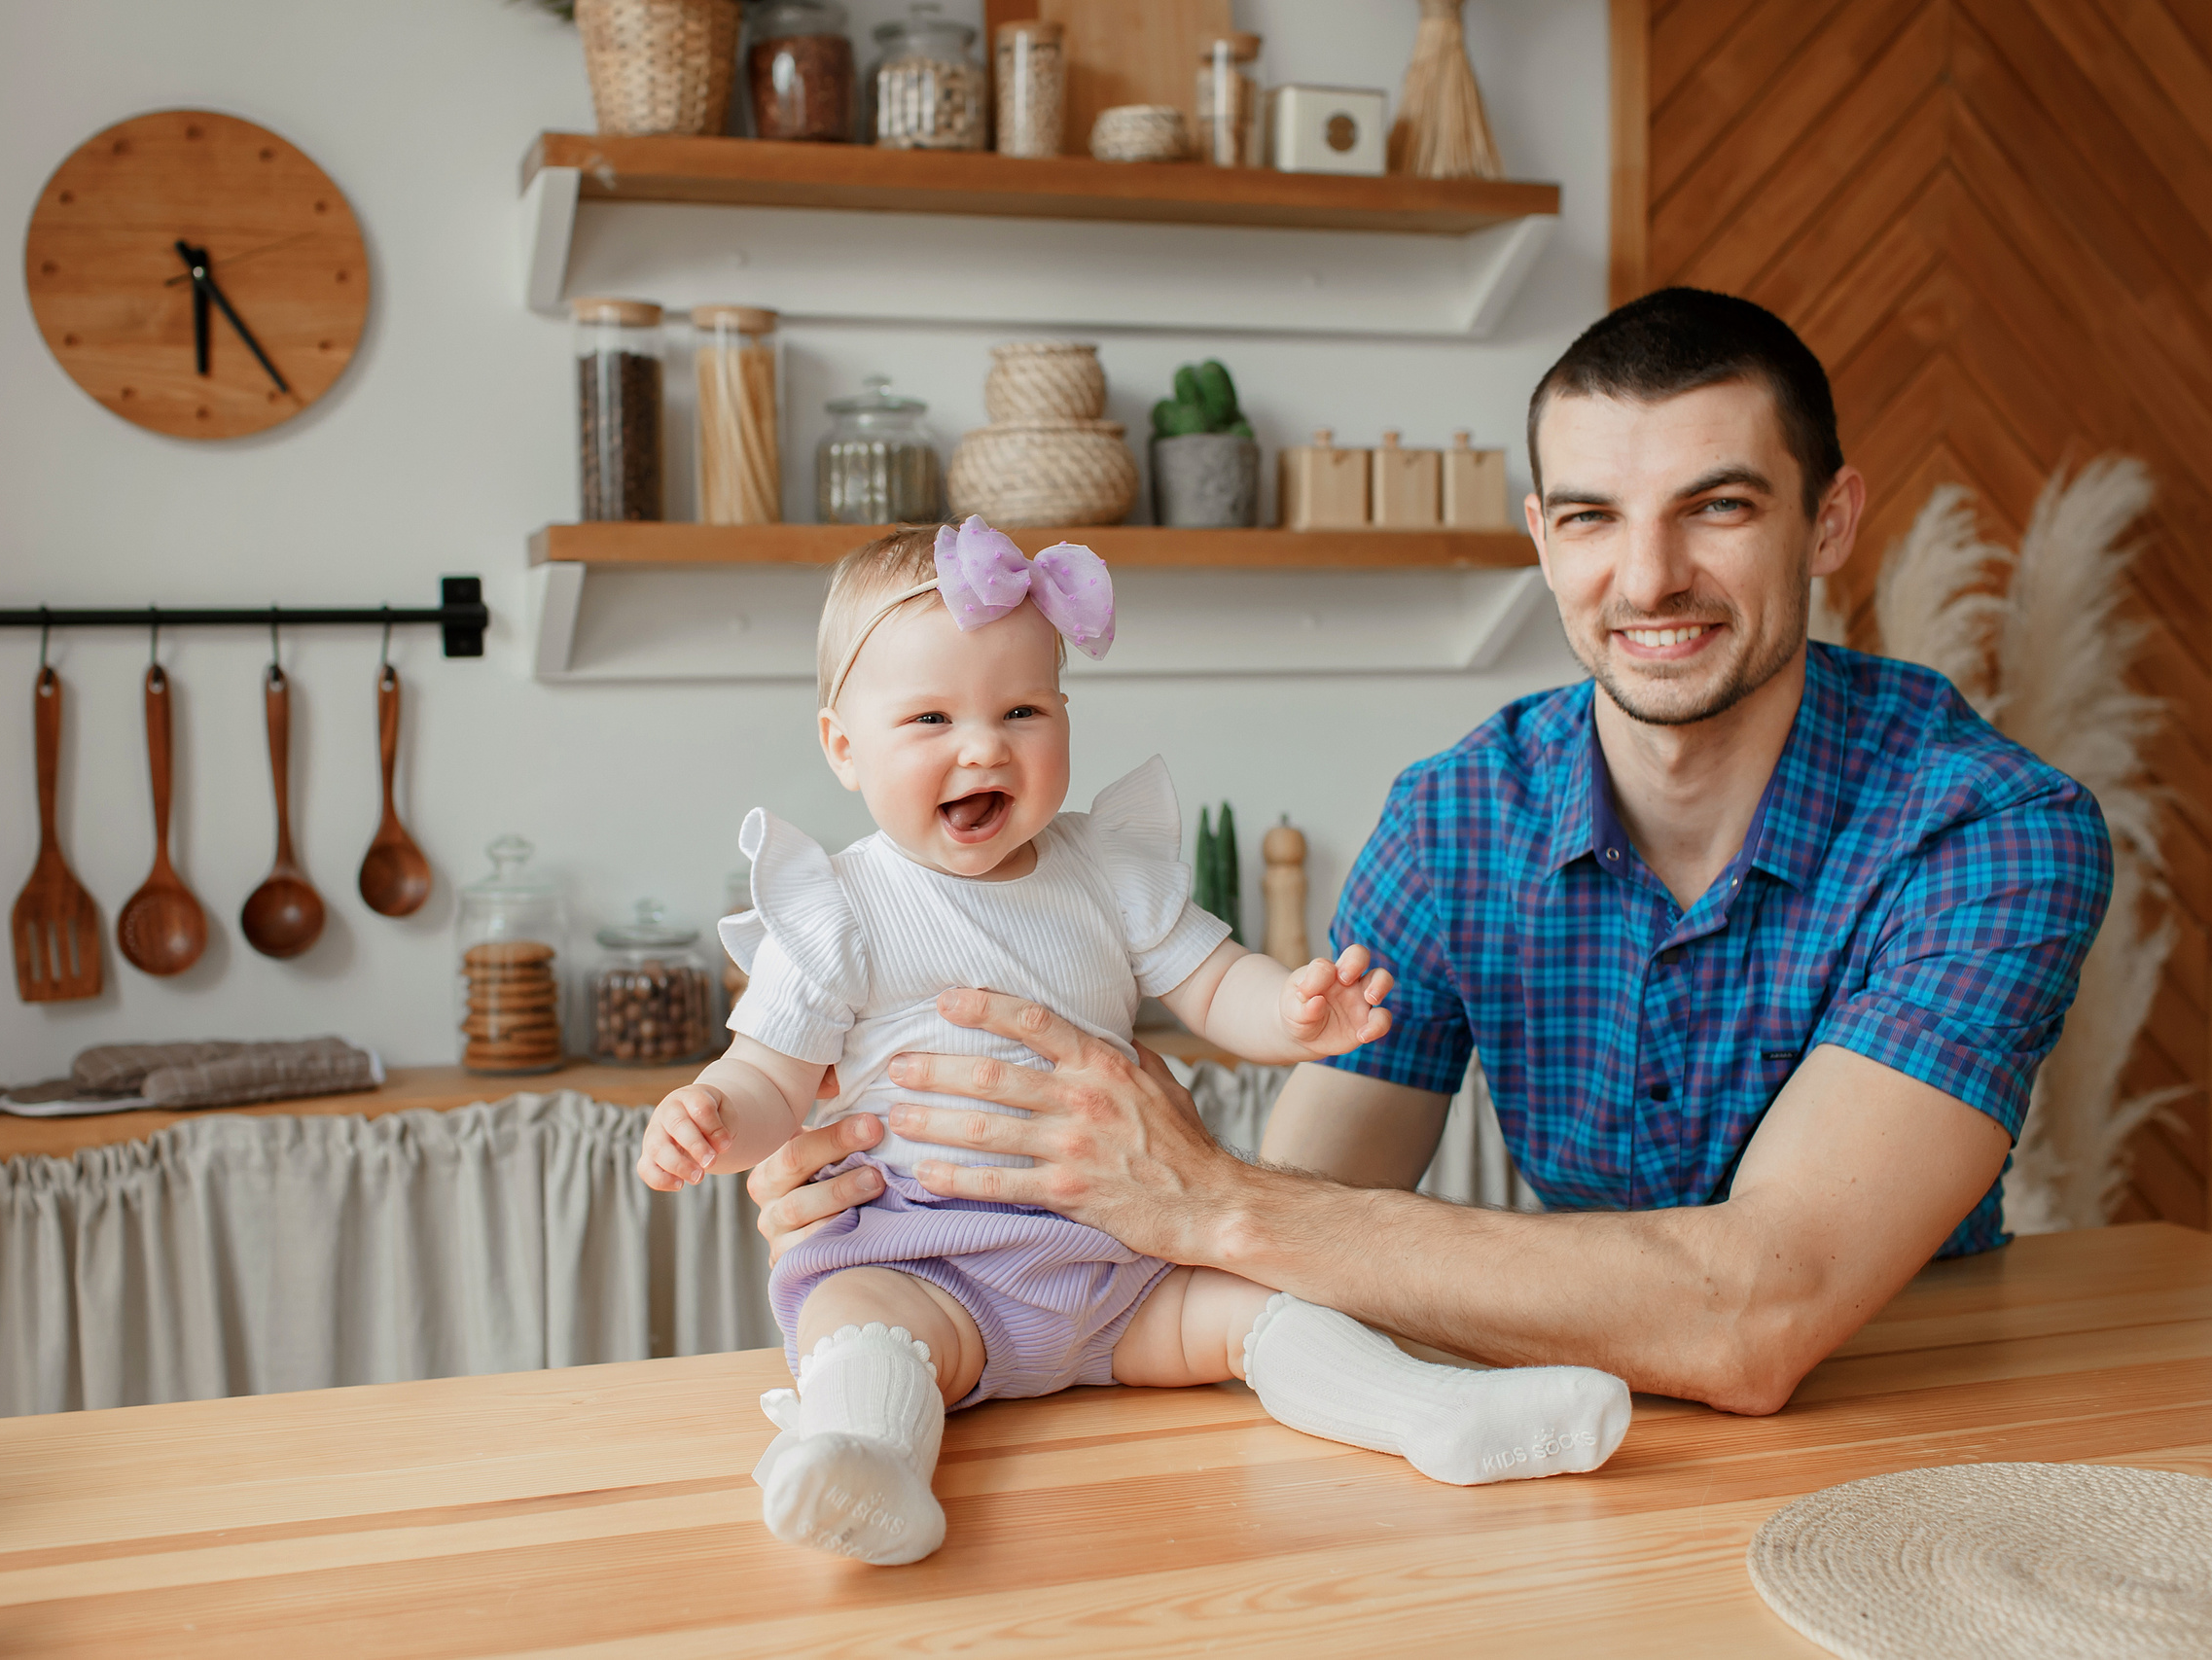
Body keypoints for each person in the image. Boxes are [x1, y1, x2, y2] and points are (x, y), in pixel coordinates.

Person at [742, 289, 2116, 1419]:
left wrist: (1211, 1194)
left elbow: (1758, 1313)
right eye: (1590, 516)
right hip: (1586, 1412)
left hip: (1919, 1420)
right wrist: (909, 1212)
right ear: (1542, 536)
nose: (1646, 578)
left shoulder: (1992, 831)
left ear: (1828, 520)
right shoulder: (1457, 816)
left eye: (1720, 506)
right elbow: (1310, 1222)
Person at [637, 519, 1631, 1567]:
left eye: (1021, 710)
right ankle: (870, 1460)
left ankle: (1437, 1415)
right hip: (930, 1264)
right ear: (843, 746)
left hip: (1126, 1257)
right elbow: (767, 1081)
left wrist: (1291, 1014)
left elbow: (1214, 981)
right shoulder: (838, 909)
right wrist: (714, 1121)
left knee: (1270, 1305)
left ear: (1066, 718)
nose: (983, 746)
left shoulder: (1105, 873)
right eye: (930, 717)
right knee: (853, 1320)